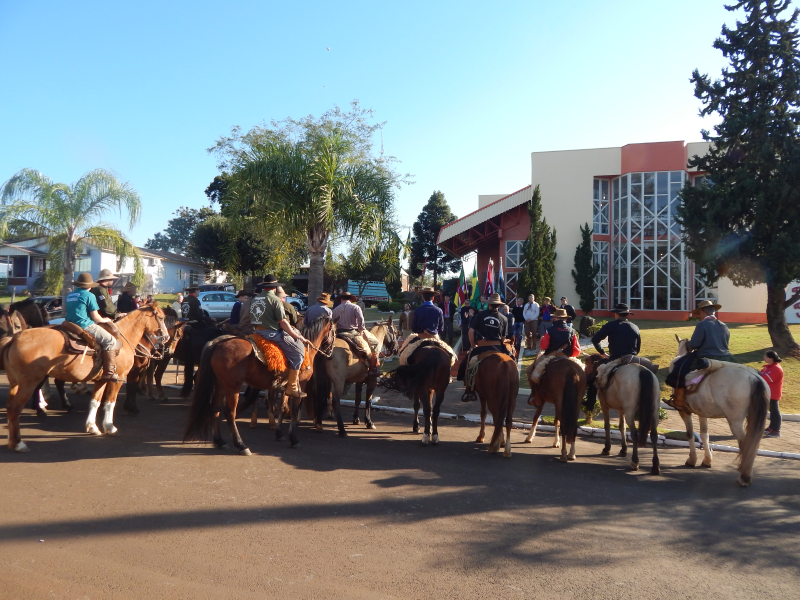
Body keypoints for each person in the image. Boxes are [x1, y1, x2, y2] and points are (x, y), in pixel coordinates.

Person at [249, 275, 309, 397]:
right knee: (298, 352)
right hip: (271, 333)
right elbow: (283, 322)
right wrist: (297, 336)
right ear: (275, 288)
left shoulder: (255, 299)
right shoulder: (275, 300)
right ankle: (292, 387)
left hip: (256, 332)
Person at [65, 273, 119, 382]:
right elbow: (95, 316)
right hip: (84, 324)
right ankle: (109, 373)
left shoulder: (70, 295)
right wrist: (105, 320)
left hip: (69, 324)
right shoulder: (89, 295)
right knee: (111, 341)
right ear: (90, 286)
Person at [458, 293, 509, 401]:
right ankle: (512, 385)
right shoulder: (504, 318)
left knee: (467, 364)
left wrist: (472, 343)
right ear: (499, 306)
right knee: (511, 361)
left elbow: (471, 331)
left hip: (482, 347)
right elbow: (504, 337)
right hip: (498, 348)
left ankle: (469, 390)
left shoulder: (480, 315)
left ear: (489, 305)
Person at [332, 290, 381, 375]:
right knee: (375, 343)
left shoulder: (335, 309)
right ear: (350, 299)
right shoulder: (355, 307)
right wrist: (361, 331)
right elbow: (361, 321)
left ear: (341, 299)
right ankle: (373, 368)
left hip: (339, 334)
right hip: (352, 333)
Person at [760, 350, 784, 438]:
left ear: (770, 358)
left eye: (765, 356)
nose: (764, 358)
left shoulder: (776, 369)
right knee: (772, 411)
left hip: (773, 393)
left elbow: (765, 378)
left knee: (775, 411)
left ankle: (776, 430)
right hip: (768, 392)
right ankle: (771, 427)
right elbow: (761, 374)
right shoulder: (768, 367)